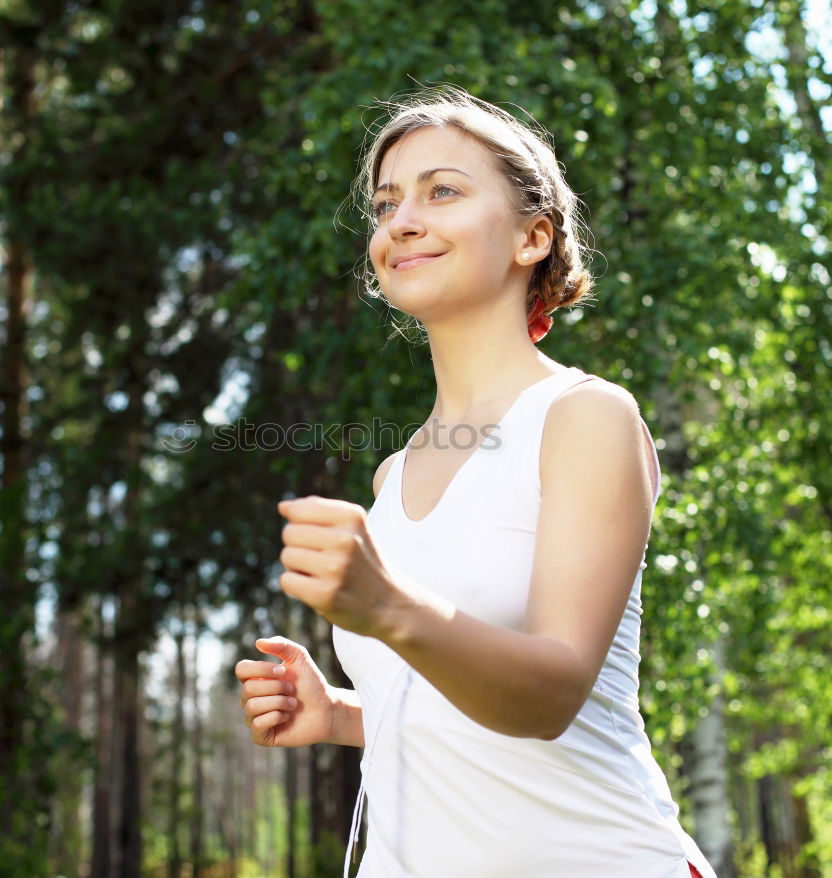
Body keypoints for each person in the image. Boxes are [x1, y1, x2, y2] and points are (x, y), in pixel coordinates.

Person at [235, 88, 716, 878]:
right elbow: (458, 707)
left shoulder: (584, 417)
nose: (401, 221)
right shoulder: (394, 475)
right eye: (386, 205)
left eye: (443, 191)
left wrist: (386, 605)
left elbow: (550, 694)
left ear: (533, 236)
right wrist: (345, 716)